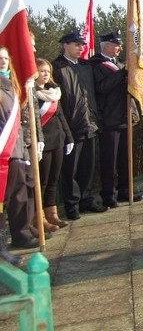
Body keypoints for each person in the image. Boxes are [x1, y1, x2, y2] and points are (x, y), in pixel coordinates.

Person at [53, 30, 105, 218]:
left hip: (89, 122)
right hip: (70, 125)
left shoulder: (86, 66)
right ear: (65, 45)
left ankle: (87, 200)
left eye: (82, 45)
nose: (80, 48)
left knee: (87, 166)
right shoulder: (57, 68)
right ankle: (71, 205)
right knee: (70, 169)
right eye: (76, 44)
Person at [90, 31, 142, 207]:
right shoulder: (96, 65)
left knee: (125, 159)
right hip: (109, 118)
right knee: (109, 161)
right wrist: (122, 73)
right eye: (116, 45)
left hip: (125, 115)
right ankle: (108, 194)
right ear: (105, 45)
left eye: (120, 44)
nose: (119, 48)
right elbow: (102, 87)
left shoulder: (119, 64)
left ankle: (126, 191)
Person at [1, 47, 40, 249]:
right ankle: (19, 235)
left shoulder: (13, 85)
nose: (3, 62)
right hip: (6, 149)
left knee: (26, 190)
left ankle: (26, 227)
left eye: (6, 58)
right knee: (14, 195)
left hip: (19, 146)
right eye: (0, 59)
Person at [33, 58, 74, 231]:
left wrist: (69, 137)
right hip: (44, 143)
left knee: (53, 181)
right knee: (41, 182)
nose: (45, 75)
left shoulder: (53, 92)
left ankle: (52, 214)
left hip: (58, 140)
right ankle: (38, 217)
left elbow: (61, 116)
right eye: (41, 71)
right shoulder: (31, 93)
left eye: (47, 72)